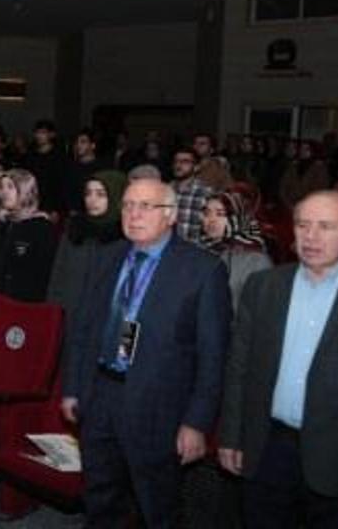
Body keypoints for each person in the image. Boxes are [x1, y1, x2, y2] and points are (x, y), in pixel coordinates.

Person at [218, 190, 338, 528]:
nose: (310, 236)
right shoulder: (263, 286)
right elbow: (240, 369)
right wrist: (232, 436)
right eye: (303, 225)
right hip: (268, 449)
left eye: (326, 226)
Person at [61, 178, 231, 528]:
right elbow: (83, 328)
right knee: (100, 499)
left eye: (145, 206)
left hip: (158, 409)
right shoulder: (107, 256)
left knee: (157, 507)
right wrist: (72, 388)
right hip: (99, 395)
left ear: (171, 215)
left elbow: (213, 358)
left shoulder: (202, 270)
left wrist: (197, 423)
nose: (133, 214)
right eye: (127, 205)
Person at [47, 170, 128, 312]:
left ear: (116, 197)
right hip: (68, 314)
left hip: (104, 318)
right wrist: (52, 312)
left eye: (100, 194)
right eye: (88, 193)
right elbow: (57, 277)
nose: (92, 199)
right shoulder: (75, 230)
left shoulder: (125, 238)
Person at [0, 169, 58, 303]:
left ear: (25, 190)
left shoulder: (41, 227)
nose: (4, 192)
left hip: (25, 304)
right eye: (1, 187)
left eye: (10, 187)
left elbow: (46, 274)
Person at [201, 189, 273, 313]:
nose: (211, 219)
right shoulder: (207, 250)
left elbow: (264, 311)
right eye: (207, 213)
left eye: (220, 214)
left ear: (238, 217)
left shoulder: (255, 260)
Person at [170, 148, 211, 245]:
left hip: (194, 249)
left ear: (196, 167)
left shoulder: (205, 193)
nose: (178, 165)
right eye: (176, 161)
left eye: (185, 161)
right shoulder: (165, 190)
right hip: (168, 249)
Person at [279, 140, 330, 210]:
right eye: (302, 149)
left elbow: (319, 190)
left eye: (306, 149)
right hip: (290, 205)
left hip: (310, 206)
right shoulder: (294, 165)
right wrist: (289, 204)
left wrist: (304, 205)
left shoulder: (319, 168)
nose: (303, 151)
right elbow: (284, 186)